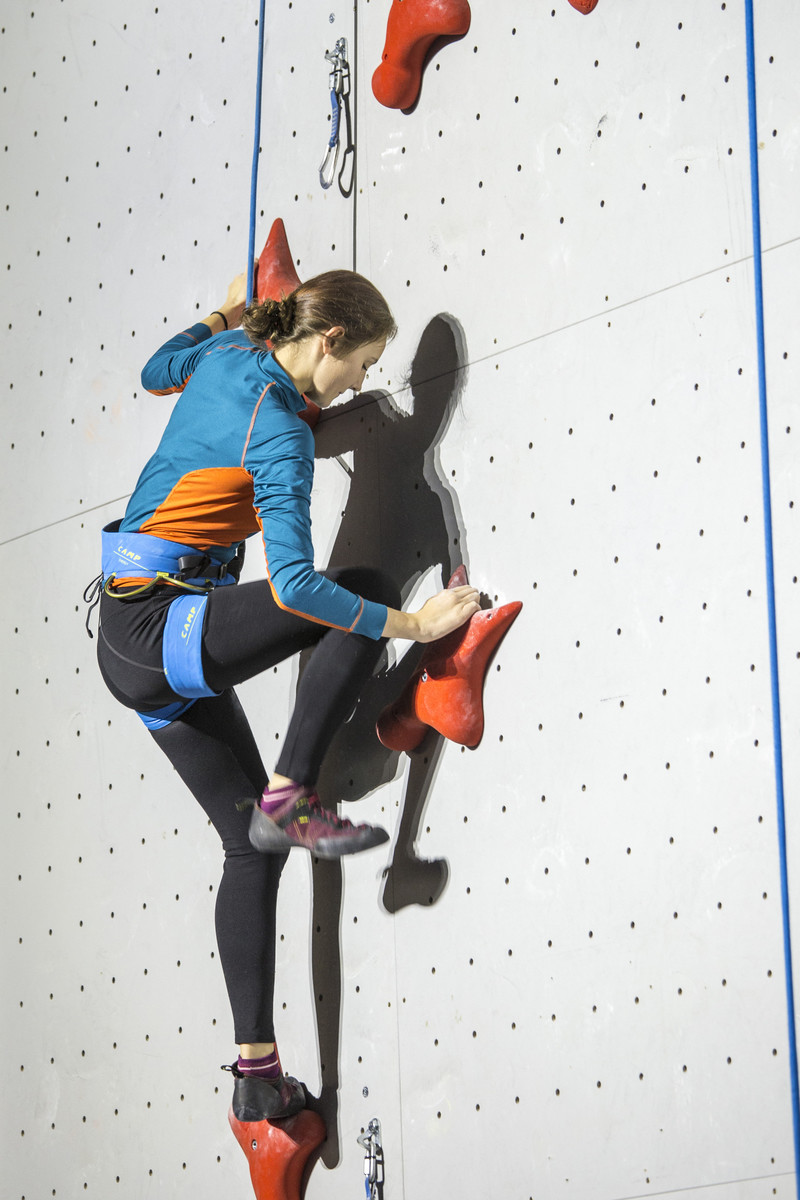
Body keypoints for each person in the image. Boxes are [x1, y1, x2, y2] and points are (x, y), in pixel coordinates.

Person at [92, 269, 480, 1122]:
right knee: (359, 594)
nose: (364, 382)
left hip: (131, 638)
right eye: (364, 363)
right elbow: (298, 587)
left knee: (248, 850)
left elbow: (157, 369)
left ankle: (256, 1072)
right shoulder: (280, 431)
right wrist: (413, 625)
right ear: (330, 340)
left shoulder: (230, 350)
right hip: (160, 631)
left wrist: (224, 309)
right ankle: (291, 793)